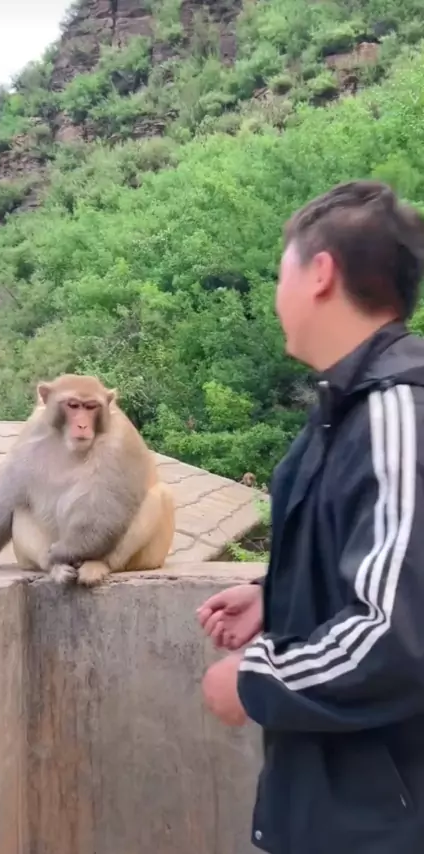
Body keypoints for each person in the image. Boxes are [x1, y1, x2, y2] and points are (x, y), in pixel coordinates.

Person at [197, 180, 424, 854]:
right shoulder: (344, 413)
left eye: (280, 274)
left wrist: (255, 679)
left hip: (384, 822)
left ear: (319, 273)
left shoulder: (396, 417)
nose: (277, 296)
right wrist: (277, 596)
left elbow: (397, 636)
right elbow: (379, 561)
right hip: (338, 808)